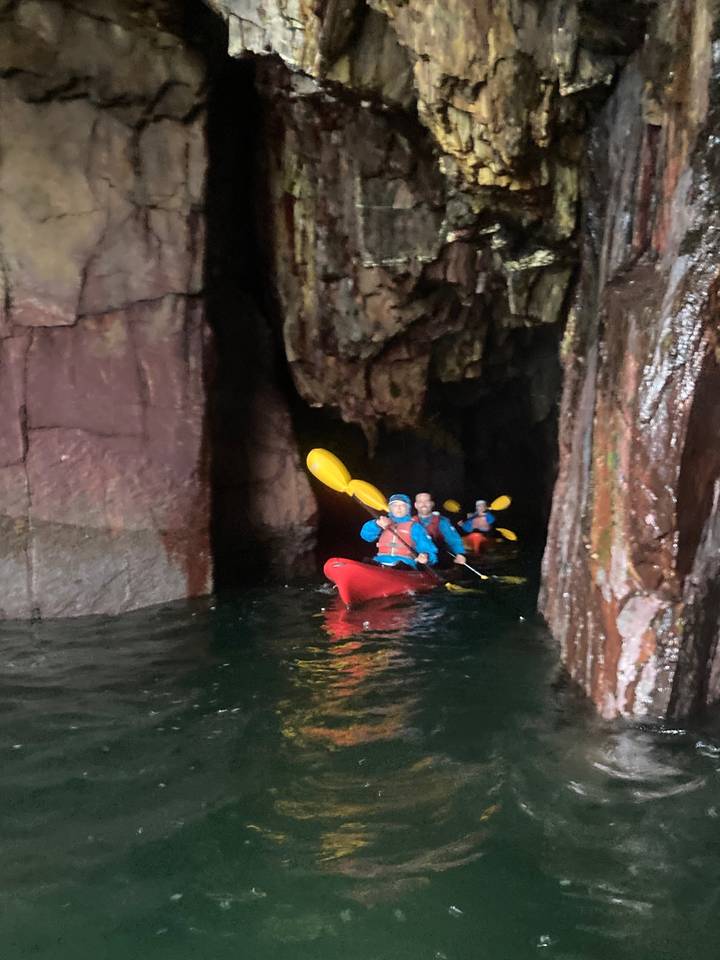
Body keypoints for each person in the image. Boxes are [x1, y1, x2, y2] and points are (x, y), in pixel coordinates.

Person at [361, 493, 438, 568]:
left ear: (408, 509)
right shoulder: (382, 522)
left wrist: (426, 556)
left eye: (402, 505)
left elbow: (428, 548)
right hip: (380, 561)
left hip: (404, 564)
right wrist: (377, 524)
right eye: (395, 505)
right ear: (390, 508)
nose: (399, 508)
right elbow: (366, 536)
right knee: (367, 562)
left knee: (401, 566)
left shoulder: (415, 527)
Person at [413, 492, 466, 565]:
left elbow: (453, 539)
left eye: (427, 501)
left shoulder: (441, 521)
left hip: (438, 560)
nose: (423, 504)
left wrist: (460, 553)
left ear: (432, 504)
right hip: (415, 559)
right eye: (420, 502)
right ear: (416, 505)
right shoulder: (410, 522)